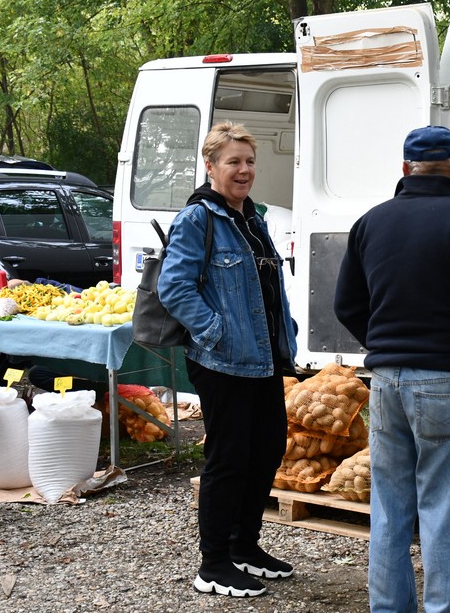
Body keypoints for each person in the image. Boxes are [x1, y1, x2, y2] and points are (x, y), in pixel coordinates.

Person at [334, 125, 450, 613]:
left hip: (387, 381)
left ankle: (389, 608)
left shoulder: (372, 222)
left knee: (389, 507)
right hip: (449, 382)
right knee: (446, 508)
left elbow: (346, 304)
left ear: (405, 169)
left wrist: (385, 345)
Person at [159, 121, 298, 598]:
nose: (244, 170)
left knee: (266, 452)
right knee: (229, 459)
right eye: (233, 161)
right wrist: (216, 330)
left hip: (262, 360)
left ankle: (245, 545)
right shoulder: (199, 218)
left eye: (249, 161)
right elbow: (174, 286)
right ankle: (214, 563)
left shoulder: (249, 216)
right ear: (211, 166)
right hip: (222, 361)